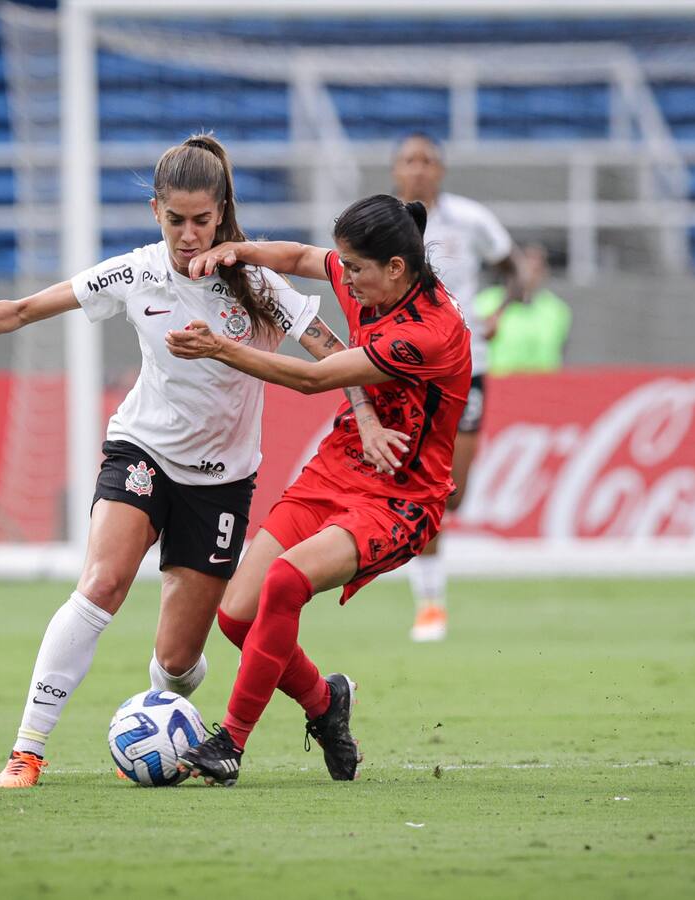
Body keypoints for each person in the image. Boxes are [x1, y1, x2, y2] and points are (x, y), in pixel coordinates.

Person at [0, 134, 400, 789]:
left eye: (203, 220)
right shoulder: (136, 272)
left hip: (221, 483)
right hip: (141, 451)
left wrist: (366, 418)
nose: (189, 235)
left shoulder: (257, 283)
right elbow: (31, 308)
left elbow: (331, 351)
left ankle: (169, 710)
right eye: (176, 221)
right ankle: (27, 750)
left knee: (176, 661)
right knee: (103, 584)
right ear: (155, 212)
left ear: (222, 212)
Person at [165, 193, 472, 785]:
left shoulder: (430, 334)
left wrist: (220, 348)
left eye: (355, 270)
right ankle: (325, 705)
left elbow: (311, 378)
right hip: (338, 467)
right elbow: (305, 256)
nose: (345, 279)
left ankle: (229, 743)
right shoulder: (371, 277)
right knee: (236, 618)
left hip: (400, 499)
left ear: (396, 269)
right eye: (347, 266)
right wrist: (239, 248)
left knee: (284, 581)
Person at [392, 132, 526, 643]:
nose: (419, 168)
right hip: (408, 367)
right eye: (409, 160)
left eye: (427, 160)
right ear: (396, 171)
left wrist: (501, 311)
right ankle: (430, 605)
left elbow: (514, 267)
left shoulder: (470, 220)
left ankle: (424, 581)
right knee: (422, 484)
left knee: (454, 493)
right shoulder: (385, 224)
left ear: (440, 170)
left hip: (468, 365)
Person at [477, 244, 571, 375]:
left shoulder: (557, 310)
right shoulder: (485, 304)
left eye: (536, 269)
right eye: (525, 268)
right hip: (500, 385)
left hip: (544, 386)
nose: (529, 275)